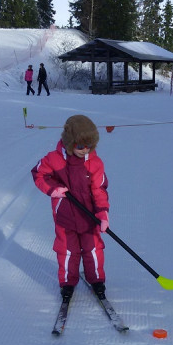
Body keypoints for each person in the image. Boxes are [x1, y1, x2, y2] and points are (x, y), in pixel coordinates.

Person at [31, 114, 109, 301]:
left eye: (88, 146)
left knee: (93, 250)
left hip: (90, 217)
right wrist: (53, 189)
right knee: (67, 251)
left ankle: (97, 280)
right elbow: (39, 174)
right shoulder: (54, 159)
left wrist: (102, 213)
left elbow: (99, 189)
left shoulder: (94, 163)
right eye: (80, 146)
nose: (84, 150)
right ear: (69, 142)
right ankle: (67, 283)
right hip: (65, 216)